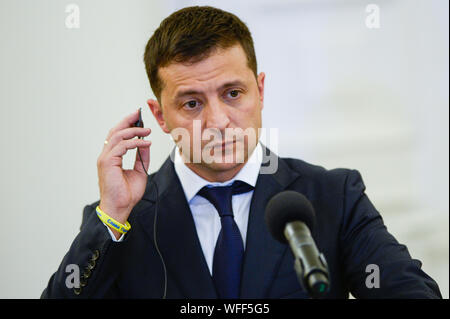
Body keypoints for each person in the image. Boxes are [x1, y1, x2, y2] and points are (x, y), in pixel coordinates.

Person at [41, 6, 441, 299]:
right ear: (160, 117)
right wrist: (110, 217)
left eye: (233, 94)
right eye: (192, 103)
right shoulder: (121, 217)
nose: (218, 121)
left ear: (260, 91)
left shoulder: (333, 195)